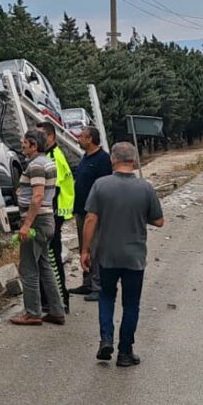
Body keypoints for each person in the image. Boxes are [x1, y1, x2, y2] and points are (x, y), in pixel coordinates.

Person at [81, 142, 164, 367]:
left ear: (113, 160)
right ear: (134, 162)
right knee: (131, 304)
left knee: (106, 296)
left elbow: (90, 219)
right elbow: (159, 220)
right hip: (135, 257)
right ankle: (125, 352)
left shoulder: (100, 185)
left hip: (107, 255)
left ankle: (106, 338)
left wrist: (85, 250)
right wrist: (138, 214)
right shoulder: (145, 188)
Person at [10, 130, 66, 326]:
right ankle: (57, 311)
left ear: (34, 146)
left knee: (28, 268)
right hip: (47, 219)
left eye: (25, 142)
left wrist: (26, 225)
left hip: (37, 222)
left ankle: (32, 313)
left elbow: (38, 196)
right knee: (44, 266)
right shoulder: (47, 162)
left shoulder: (36, 165)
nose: (22, 145)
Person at [69, 126, 111, 301]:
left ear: (90, 139)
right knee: (84, 248)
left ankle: (98, 286)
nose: (78, 139)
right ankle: (87, 283)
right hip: (81, 211)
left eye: (82, 136)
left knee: (94, 249)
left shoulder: (103, 159)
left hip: (94, 213)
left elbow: (106, 186)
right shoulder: (85, 158)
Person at [37, 121, 73, 314]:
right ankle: (50, 300)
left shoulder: (53, 157)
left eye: (41, 136)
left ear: (51, 137)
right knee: (47, 257)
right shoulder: (49, 155)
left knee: (52, 258)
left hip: (54, 214)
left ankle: (60, 300)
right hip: (54, 214)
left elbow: (54, 191)